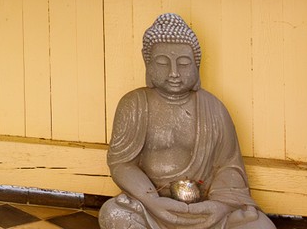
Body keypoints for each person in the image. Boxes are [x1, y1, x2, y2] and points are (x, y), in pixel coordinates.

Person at [100, 14, 273, 229]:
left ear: (196, 66)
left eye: (183, 63)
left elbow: (229, 167)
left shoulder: (213, 108)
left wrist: (219, 206)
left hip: (206, 208)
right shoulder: (134, 104)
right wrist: (152, 201)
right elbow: (121, 163)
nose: (174, 73)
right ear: (148, 64)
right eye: (162, 63)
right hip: (152, 207)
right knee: (113, 214)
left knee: (260, 227)